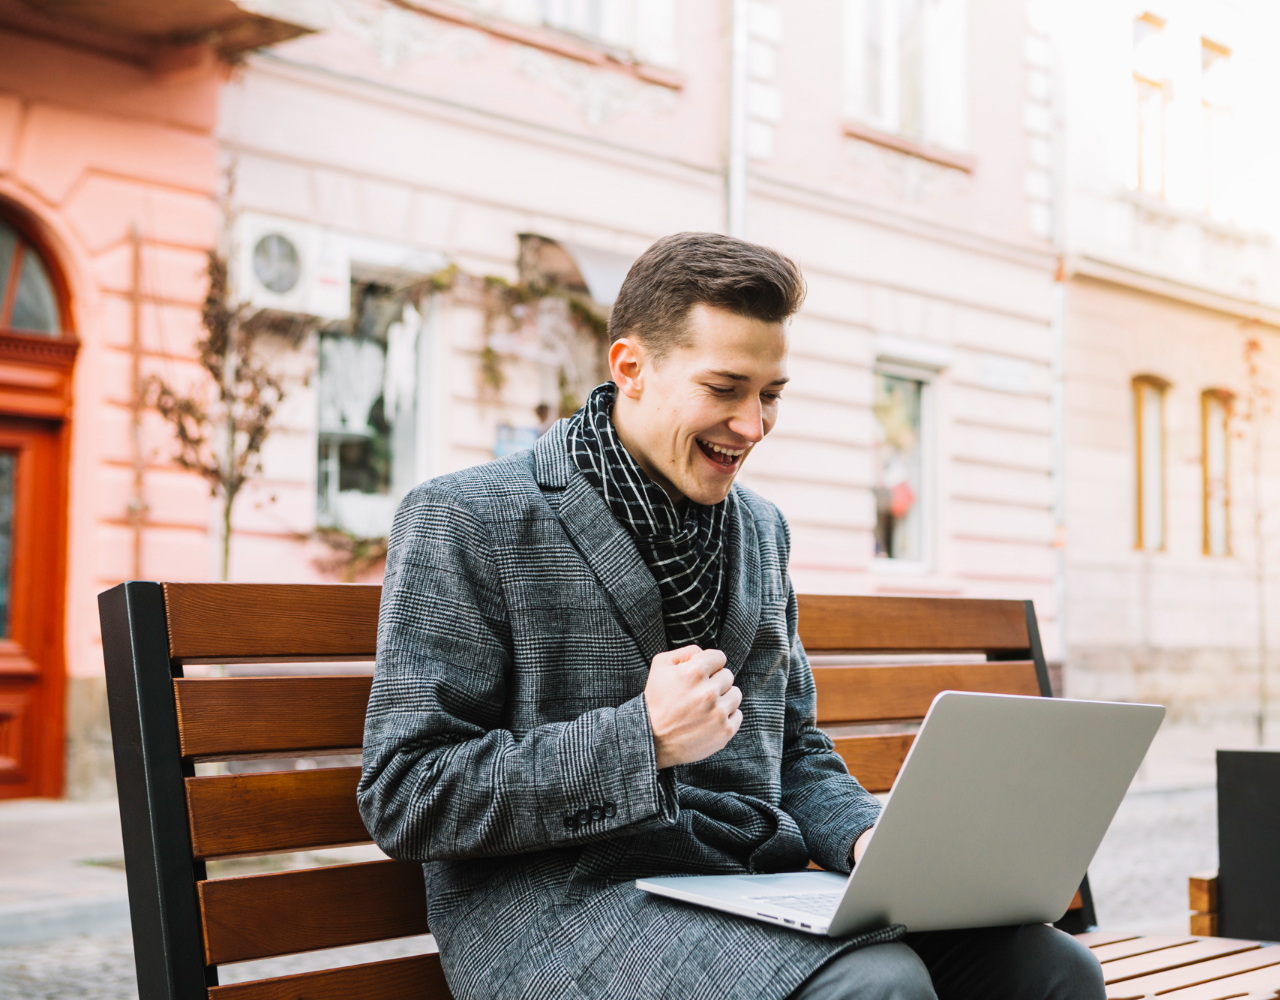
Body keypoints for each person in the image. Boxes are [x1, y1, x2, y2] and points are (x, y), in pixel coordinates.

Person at [357, 232, 1105, 1000]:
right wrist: (641, 739)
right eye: (725, 389)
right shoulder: (468, 518)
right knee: (877, 985)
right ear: (630, 369)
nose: (753, 425)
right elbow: (406, 794)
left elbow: (793, 748)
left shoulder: (760, 529)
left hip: (743, 892)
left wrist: (867, 838)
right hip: (562, 911)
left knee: (1051, 969)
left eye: (771, 394)